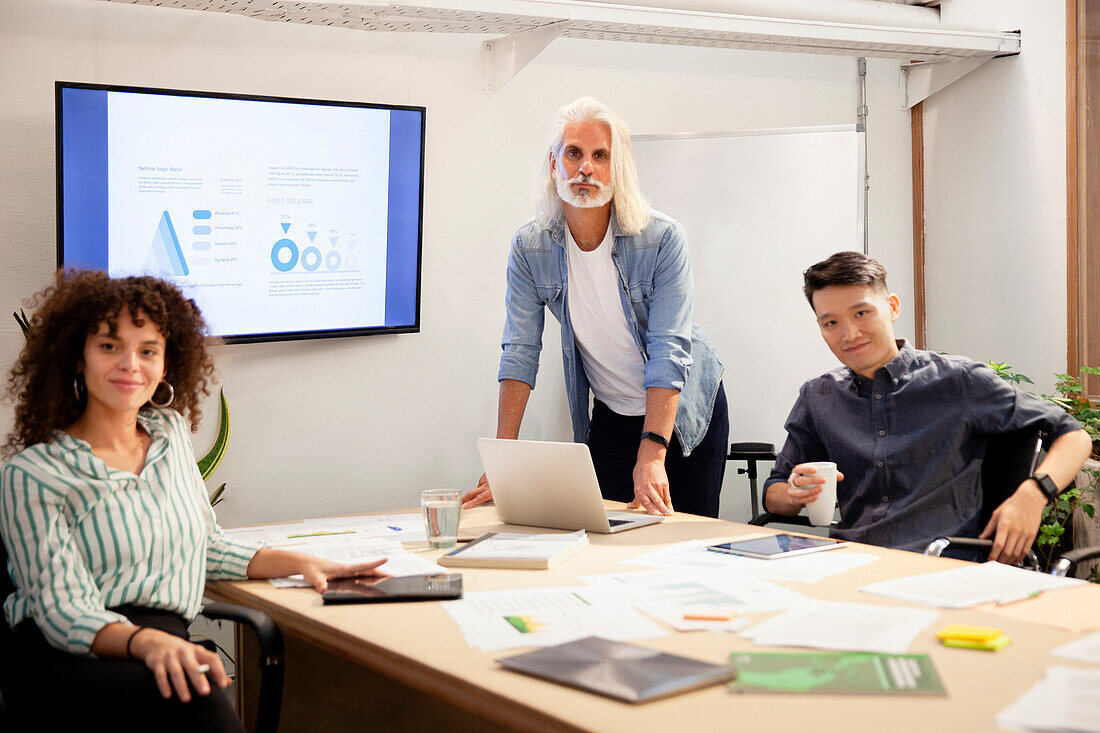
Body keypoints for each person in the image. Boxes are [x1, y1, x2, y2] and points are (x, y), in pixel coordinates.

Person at [0, 271, 387, 732]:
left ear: (166, 364)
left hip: (161, 641)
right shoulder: (33, 474)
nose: (131, 364)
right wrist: (150, 644)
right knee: (195, 696)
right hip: (68, 654)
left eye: (148, 351)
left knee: (191, 689)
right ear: (77, 358)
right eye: (109, 346)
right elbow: (64, 611)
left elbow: (203, 546)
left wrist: (302, 562)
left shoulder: (170, 435)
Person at [462, 97, 728, 518]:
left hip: (682, 416)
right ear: (554, 165)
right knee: (607, 539)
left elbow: (668, 350)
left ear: (615, 168)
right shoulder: (531, 248)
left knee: (684, 542)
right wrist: (502, 463)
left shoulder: (661, 239)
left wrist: (654, 453)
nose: (586, 168)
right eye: (574, 154)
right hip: (612, 416)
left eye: (600, 156)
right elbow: (520, 350)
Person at [762, 251, 1092, 564]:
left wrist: (1033, 494)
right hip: (851, 561)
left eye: (861, 313)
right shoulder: (819, 396)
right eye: (830, 323)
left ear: (891, 308)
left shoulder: (958, 381)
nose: (849, 334)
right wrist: (793, 493)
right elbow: (773, 491)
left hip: (941, 563)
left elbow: (1074, 436)